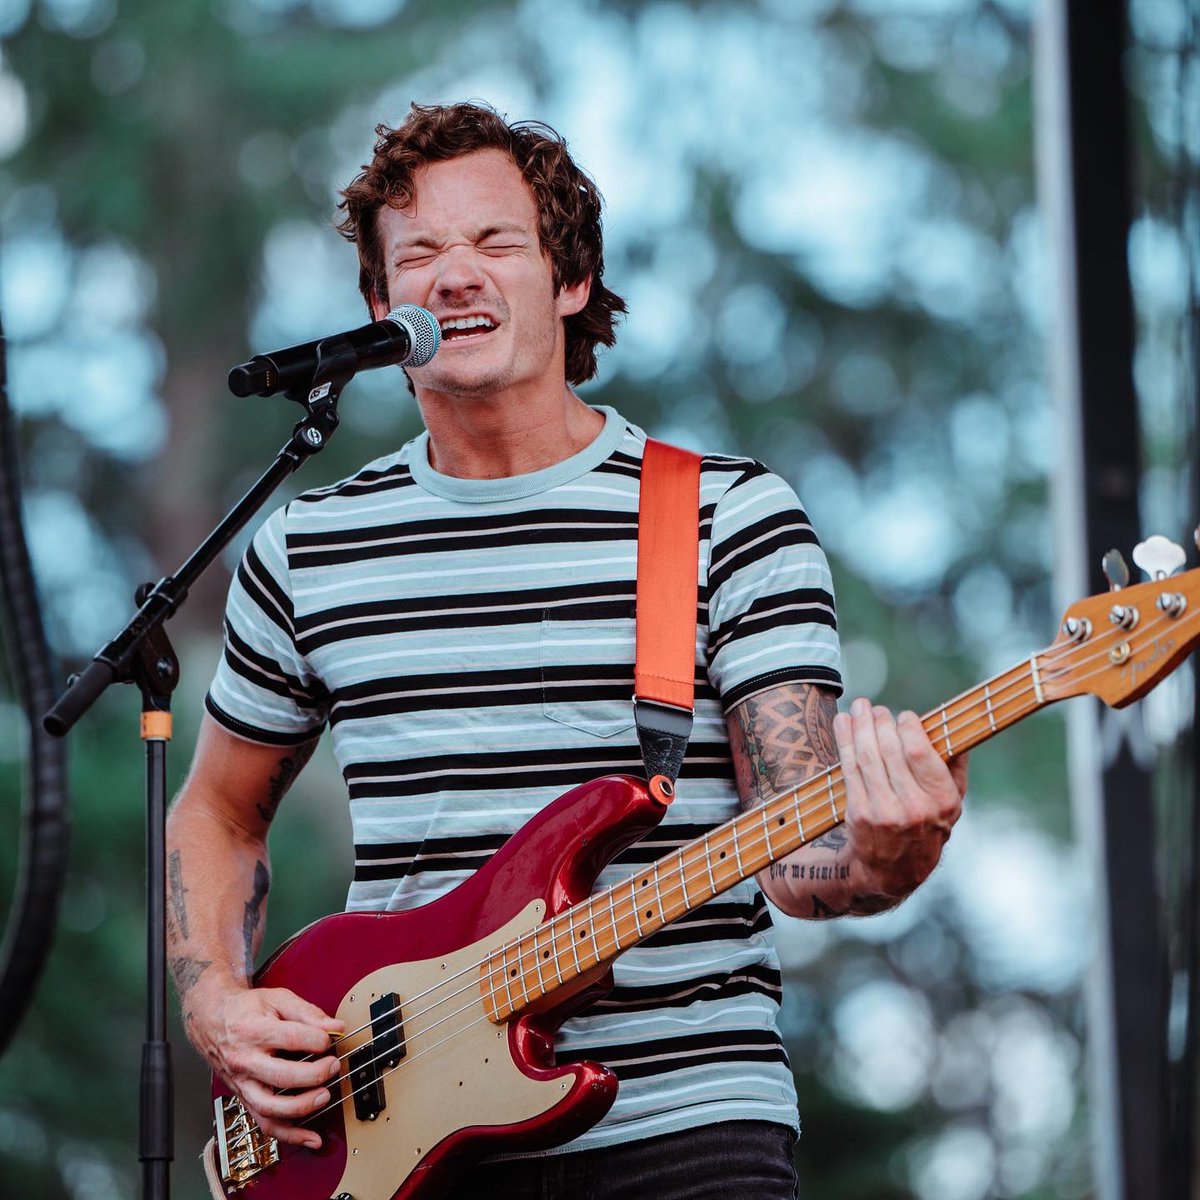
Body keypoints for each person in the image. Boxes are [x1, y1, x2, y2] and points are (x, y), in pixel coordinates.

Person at [165, 100, 967, 1199]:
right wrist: (215, 1001)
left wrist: (888, 852)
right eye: (420, 254)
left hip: (687, 1123)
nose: (455, 276)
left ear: (569, 280)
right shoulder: (309, 547)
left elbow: (801, 860)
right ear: (377, 302)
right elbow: (217, 809)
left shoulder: (728, 516)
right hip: (397, 1135)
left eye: (496, 243)